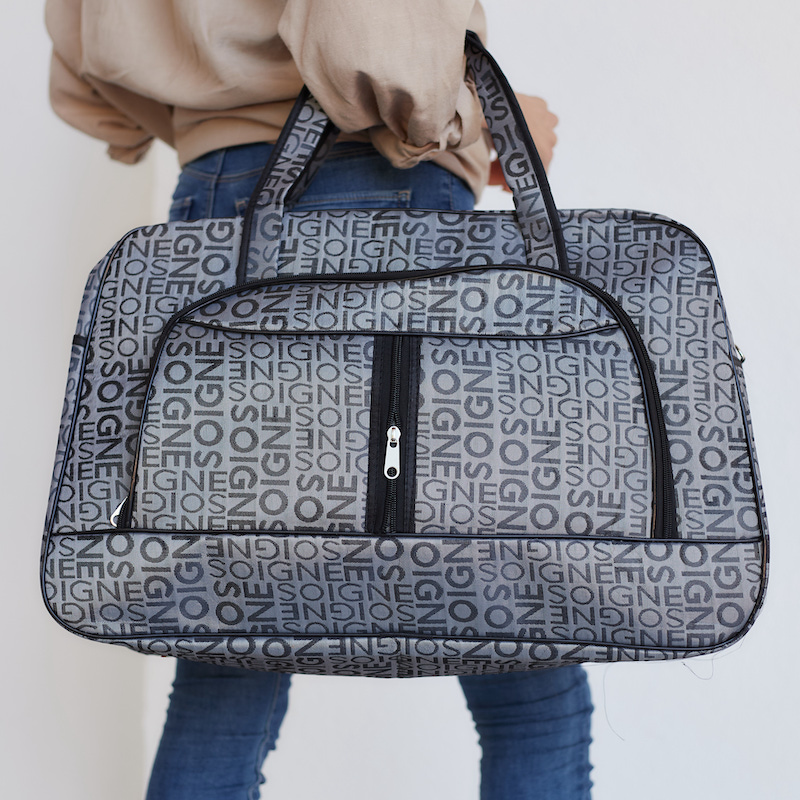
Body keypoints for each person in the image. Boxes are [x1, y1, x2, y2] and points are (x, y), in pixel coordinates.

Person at [45, 2, 592, 798]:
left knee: (225, 667)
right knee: (528, 668)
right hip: (376, 191)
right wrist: (476, 119)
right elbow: (375, 41)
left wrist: (211, 102)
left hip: (209, 199)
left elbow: (84, 57)